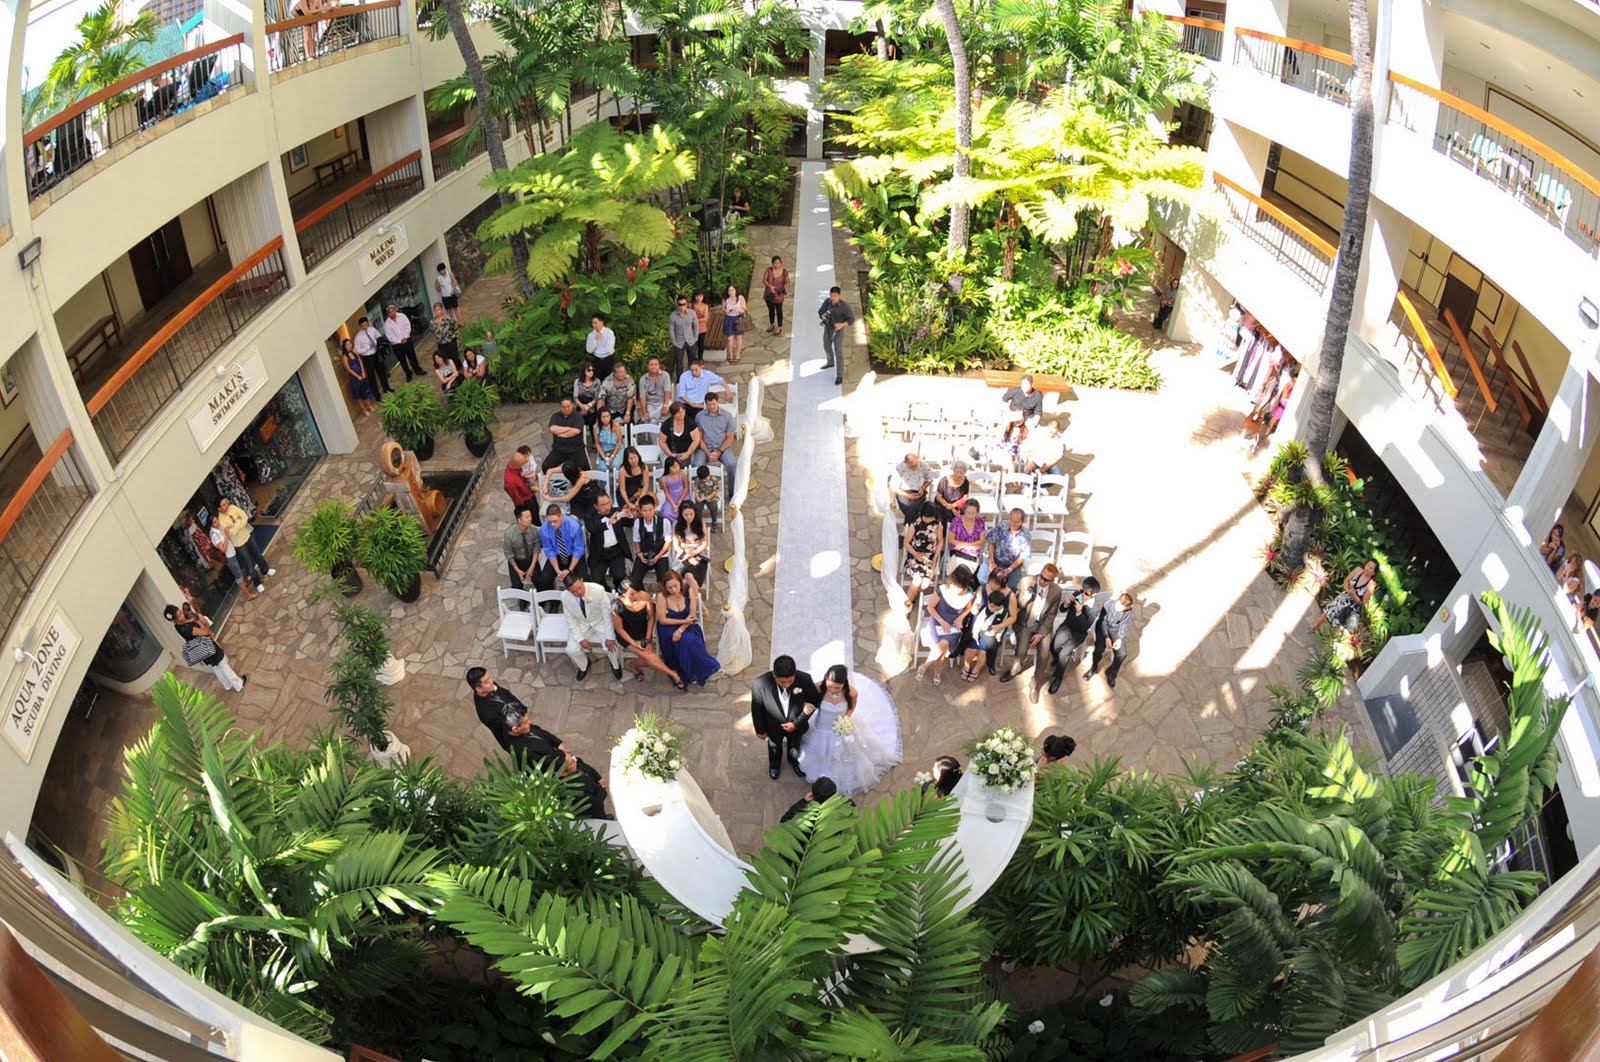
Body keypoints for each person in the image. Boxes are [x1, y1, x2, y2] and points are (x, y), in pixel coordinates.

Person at [794, 665, 903, 795]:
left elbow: (852, 706)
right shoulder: (818, 687)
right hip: (822, 727)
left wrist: (846, 718)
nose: (833, 690)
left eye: (837, 688)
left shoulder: (852, 693)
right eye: (829, 686)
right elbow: (804, 699)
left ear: (843, 684)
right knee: (820, 752)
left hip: (840, 727)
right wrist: (806, 705)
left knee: (844, 753)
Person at [751, 655, 821, 779]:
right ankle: (774, 765)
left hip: (796, 724)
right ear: (774, 674)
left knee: (795, 745)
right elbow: (757, 708)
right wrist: (760, 730)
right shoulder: (760, 684)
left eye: (790, 681)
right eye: (782, 682)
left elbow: (813, 702)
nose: (787, 685)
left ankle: (794, 762)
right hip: (773, 725)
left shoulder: (805, 679)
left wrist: (798, 722)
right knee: (774, 746)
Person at [1002, 564, 1063, 686]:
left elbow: (1051, 615)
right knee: (1021, 650)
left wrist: (1040, 634)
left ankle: (1036, 682)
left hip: (1043, 624)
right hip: (1026, 622)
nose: (1041, 581)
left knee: (1044, 655)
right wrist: (1028, 595)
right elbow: (1018, 605)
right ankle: (1015, 670)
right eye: (1041, 576)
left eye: (1046, 580)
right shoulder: (1026, 582)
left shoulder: (1056, 591)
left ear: (1052, 580)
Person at [656, 570, 720, 687]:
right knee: (686, 641)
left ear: (680, 582)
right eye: (669, 588)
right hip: (668, 627)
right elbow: (662, 620)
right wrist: (683, 622)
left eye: (675, 586)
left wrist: (681, 629)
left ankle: (693, 671)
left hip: (687, 625)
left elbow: (692, 615)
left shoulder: (689, 590)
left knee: (687, 640)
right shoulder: (662, 596)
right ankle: (696, 670)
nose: (673, 590)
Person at [917, 566, 979, 685]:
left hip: (954, 625)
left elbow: (968, 608)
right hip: (937, 621)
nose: (956, 589)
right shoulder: (941, 590)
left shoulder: (969, 594)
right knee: (942, 649)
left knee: (943, 644)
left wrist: (961, 617)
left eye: (959, 587)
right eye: (955, 585)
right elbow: (930, 608)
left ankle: (925, 666)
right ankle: (937, 672)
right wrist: (941, 621)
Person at [165, 603, 246, 691]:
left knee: (216, 667)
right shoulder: (187, 628)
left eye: (181, 612)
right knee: (223, 664)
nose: (182, 615)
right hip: (207, 646)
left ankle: (227, 685)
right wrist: (204, 623)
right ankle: (238, 684)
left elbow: (189, 624)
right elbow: (204, 632)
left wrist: (193, 620)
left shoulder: (177, 626)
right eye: (179, 615)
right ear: (175, 619)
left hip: (203, 650)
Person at [1045, 576, 1101, 697]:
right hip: (1066, 627)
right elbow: (1062, 609)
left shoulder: (1094, 609)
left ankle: (1058, 678)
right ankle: (1058, 660)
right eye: (1082, 590)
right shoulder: (1077, 595)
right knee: (1053, 647)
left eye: (1086, 593)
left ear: (1094, 594)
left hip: (1078, 634)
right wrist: (1065, 604)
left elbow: (1084, 627)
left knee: (1064, 654)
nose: (1082, 594)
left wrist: (1080, 612)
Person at [561, 573, 623, 681]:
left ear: (582, 579)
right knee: (571, 650)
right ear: (568, 590)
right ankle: (584, 665)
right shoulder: (564, 597)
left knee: (613, 646)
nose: (579, 592)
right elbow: (570, 620)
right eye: (574, 591)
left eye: (580, 587)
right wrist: (580, 639)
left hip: (600, 622)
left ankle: (615, 665)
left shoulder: (598, 590)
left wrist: (609, 637)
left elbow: (607, 614)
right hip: (582, 624)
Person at [963, 569, 1018, 681]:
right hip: (978, 623)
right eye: (992, 581)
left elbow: (1013, 616)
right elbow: (975, 606)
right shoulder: (982, 588)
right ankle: (966, 666)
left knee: (983, 650)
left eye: (997, 584)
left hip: (995, 626)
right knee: (971, 648)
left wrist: (1001, 626)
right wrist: (975, 608)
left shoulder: (1010, 596)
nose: (992, 585)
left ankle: (977, 669)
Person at [215, 498, 273, 592]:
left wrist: (237, 524)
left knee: (257, 554)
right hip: (239, 543)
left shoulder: (232, 507)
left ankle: (265, 570)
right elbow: (232, 533)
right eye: (223, 505)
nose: (227, 505)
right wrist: (239, 521)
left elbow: (244, 516)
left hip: (246, 535)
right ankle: (257, 583)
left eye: (226, 503)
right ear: (219, 508)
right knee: (249, 563)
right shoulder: (221, 521)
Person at [901, 502, 944, 622]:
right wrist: (916, 555)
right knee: (917, 581)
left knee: (925, 585)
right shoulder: (916, 524)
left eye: (931, 517)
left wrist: (935, 558)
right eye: (927, 517)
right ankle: (907, 606)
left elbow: (940, 541)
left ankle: (911, 597)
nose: (929, 520)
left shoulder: (937, 524)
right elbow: (906, 542)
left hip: (929, 557)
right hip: (915, 554)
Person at [1310, 559, 1377, 635]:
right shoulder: (1358, 570)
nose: (1367, 568)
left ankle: (1333, 640)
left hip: (1352, 606)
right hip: (1344, 597)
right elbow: (1346, 580)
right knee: (1329, 611)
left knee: (1339, 624)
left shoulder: (1370, 585)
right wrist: (1348, 590)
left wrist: (1354, 595)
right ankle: (1315, 627)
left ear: (1373, 573)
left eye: (1371, 568)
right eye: (1367, 565)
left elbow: (1362, 603)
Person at [1086, 592, 1136, 690]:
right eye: (1119, 608)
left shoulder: (1128, 611)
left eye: (1123, 610)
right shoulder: (1108, 604)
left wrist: (1120, 639)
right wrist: (1106, 638)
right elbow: (1102, 621)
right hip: (1102, 627)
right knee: (1099, 649)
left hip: (1115, 629)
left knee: (1122, 654)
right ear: (1117, 601)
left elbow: (1124, 625)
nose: (1120, 611)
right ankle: (1093, 667)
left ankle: (1111, 672)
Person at [534, 503, 586, 592]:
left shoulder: (574, 526)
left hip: (573, 555)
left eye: (555, 521)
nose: (553, 524)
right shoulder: (544, 529)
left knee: (585, 577)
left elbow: (578, 549)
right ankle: (553, 602)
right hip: (556, 556)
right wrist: (557, 570)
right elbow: (549, 550)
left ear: (561, 516)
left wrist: (570, 570)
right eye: (550, 522)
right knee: (544, 580)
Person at [584, 493, 631, 591]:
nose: (607, 507)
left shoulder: (616, 511)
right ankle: (607, 593)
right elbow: (592, 528)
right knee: (596, 580)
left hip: (616, 551)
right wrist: (608, 523)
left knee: (620, 576)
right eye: (603, 505)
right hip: (599, 553)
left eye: (608, 503)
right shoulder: (590, 516)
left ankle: (619, 595)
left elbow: (630, 523)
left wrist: (629, 514)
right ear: (596, 506)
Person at [207, 518, 260, 601]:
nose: (217, 522)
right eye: (214, 522)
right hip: (228, 557)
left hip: (232, 552)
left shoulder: (219, 528)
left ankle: (246, 582)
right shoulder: (214, 535)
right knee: (238, 575)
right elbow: (223, 549)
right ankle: (248, 595)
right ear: (211, 524)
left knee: (241, 568)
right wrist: (227, 535)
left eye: (217, 520)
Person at [981, 507, 1030, 591]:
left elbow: (1022, 557)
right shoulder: (1001, 526)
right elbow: (991, 542)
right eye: (1011, 520)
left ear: (1022, 522)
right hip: (996, 559)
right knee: (982, 578)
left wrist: (1009, 569)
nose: (1013, 523)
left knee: (1012, 586)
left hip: (1013, 564)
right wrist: (991, 561)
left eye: (1016, 522)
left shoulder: (1026, 535)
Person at [630, 494, 671, 586]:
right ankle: (643, 596)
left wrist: (659, 555)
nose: (648, 513)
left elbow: (668, 541)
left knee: (664, 580)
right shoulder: (637, 523)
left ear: (654, 509)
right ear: (640, 511)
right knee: (634, 579)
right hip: (644, 554)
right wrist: (639, 553)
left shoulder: (664, 522)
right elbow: (636, 540)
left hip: (661, 554)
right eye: (645, 511)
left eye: (650, 510)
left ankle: (662, 598)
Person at [696, 392, 737, 479]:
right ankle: (700, 489)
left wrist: (719, 452)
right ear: (705, 404)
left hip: (722, 447)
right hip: (705, 448)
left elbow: (730, 438)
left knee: (732, 464)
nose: (711, 406)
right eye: (709, 404)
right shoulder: (700, 416)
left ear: (717, 402)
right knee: (696, 465)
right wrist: (708, 453)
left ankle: (732, 490)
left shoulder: (728, 416)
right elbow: (699, 438)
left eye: (714, 404)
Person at [818, 285, 854, 385]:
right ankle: (830, 363)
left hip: (838, 331)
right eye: (831, 296)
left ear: (839, 296)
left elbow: (851, 319)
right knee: (826, 345)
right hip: (828, 328)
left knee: (838, 352)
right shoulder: (827, 302)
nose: (833, 298)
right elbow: (820, 311)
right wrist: (823, 316)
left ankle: (839, 375)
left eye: (835, 296)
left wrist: (842, 324)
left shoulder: (844, 306)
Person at [671, 502, 711, 589]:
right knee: (675, 575)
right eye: (686, 515)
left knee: (690, 577)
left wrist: (692, 554)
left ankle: (690, 594)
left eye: (691, 514)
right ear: (681, 515)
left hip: (698, 551)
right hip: (683, 551)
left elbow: (705, 543)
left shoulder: (700, 522)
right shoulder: (677, 524)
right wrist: (687, 555)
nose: (689, 517)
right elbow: (676, 545)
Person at [544, 396, 589, 471]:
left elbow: (576, 431)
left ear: (572, 405)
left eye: (568, 406)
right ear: (560, 407)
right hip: (559, 449)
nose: (566, 409)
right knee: (546, 466)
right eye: (563, 407)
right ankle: (555, 482)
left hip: (576, 450)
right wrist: (569, 429)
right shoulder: (555, 416)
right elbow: (552, 429)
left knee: (585, 468)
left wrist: (560, 433)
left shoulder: (578, 416)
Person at [502, 504, 539, 590]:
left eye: (530, 516)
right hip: (516, 559)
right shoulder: (509, 534)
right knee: (516, 586)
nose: (530, 519)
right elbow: (508, 554)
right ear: (519, 520)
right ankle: (523, 600)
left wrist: (532, 567)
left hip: (530, 558)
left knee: (539, 580)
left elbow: (536, 548)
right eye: (527, 517)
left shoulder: (534, 530)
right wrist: (517, 570)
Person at [889, 452, 931, 524]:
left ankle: (907, 528)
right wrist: (909, 496)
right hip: (903, 493)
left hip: (919, 491)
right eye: (912, 467)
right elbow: (895, 487)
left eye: (916, 465)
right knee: (911, 508)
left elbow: (930, 478)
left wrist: (923, 487)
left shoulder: (923, 465)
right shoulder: (899, 468)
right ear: (906, 463)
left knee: (915, 507)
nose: (916, 468)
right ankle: (912, 526)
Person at [947, 499, 986, 574]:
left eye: (973, 513)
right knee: (956, 570)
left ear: (977, 513)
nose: (970, 516)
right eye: (968, 513)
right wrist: (972, 545)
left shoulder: (980, 521)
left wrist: (963, 545)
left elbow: (982, 541)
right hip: (957, 552)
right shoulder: (956, 520)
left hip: (972, 554)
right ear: (964, 510)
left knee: (967, 572)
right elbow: (951, 539)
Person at [353, 316, 390, 396]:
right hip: (368, 358)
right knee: (371, 376)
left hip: (376, 353)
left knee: (382, 372)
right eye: (363, 325)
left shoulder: (372, 329)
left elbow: (378, 335)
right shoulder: (358, 337)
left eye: (366, 324)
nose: (365, 326)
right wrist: (367, 348)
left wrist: (379, 342)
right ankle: (377, 395)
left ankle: (386, 388)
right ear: (360, 326)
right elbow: (357, 351)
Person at [383, 305, 422, 379]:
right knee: (402, 360)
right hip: (397, 345)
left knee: (412, 356)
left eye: (392, 311)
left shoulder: (402, 316)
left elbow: (408, 326)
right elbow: (390, 337)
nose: (392, 313)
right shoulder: (387, 324)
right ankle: (408, 374)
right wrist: (399, 341)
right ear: (388, 314)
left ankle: (417, 370)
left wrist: (405, 336)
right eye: (389, 312)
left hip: (407, 340)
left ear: (395, 310)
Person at [660, 403, 704, 467]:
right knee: (669, 465)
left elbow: (696, 439)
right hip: (670, 452)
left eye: (683, 411)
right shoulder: (667, 424)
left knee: (695, 463)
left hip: (688, 452)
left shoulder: (690, 422)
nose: (681, 414)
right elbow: (662, 442)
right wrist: (670, 454)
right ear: (673, 414)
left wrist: (688, 453)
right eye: (678, 413)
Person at [341, 337, 374, 416]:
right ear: (344, 347)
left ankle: (369, 405)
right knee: (358, 395)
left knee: (365, 391)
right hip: (354, 377)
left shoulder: (354, 352)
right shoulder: (344, 357)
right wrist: (357, 376)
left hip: (361, 373)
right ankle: (364, 410)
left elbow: (360, 362)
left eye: (350, 344)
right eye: (347, 345)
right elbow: (348, 369)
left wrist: (363, 372)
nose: (349, 346)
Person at [618, 446, 653, 518]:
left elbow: (646, 485)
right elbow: (622, 489)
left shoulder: (643, 466)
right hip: (625, 494)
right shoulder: (622, 470)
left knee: (644, 507)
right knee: (629, 512)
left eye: (635, 457)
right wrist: (628, 503)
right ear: (627, 460)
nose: (634, 461)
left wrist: (640, 499)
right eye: (631, 459)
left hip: (638, 492)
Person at [669, 296, 700, 376]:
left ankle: (693, 377)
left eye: (684, 304)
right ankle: (680, 381)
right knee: (679, 363)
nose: (682, 306)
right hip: (679, 342)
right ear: (677, 305)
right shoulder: (673, 316)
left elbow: (696, 326)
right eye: (680, 304)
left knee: (693, 362)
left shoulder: (692, 313)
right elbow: (671, 330)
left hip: (690, 341)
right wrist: (674, 342)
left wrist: (695, 338)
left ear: (687, 304)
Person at [638, 356, 673, 423]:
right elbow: (642, 397)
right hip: (651, 404)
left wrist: (665, 406)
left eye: (655, 364)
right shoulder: (643, 379)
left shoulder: (665, 375)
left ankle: (648, 417)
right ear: (647, 366)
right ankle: (649, 416)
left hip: (663, 402)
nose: (653, 367)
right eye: (651, 365)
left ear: (659, 365)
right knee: (653, 421)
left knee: (670, 403)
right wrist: (645, 412)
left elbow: (667, 391)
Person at [658, 456, 691, 523]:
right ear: (668, 468)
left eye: (677, 466)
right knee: (667, 513)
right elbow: (667, 493)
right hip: (671, 498)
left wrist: (680, 500)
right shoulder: (664, 479)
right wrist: (673, 504)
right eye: (673, 467)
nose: (676, 469)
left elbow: (686, 487)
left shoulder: (682, 474)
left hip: (683, 496)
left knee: (685, 510)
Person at [762, 255, 790, 336]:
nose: (776, 265)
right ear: (772, 263)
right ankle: (772, 324)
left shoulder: (784, 272)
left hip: (778, 295)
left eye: (778, 263)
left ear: (781, 263)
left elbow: (787, 281)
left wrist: (786, 286)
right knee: (771, 310)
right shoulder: (769, 270)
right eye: (774, 263)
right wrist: (770, 286)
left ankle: (779, 326)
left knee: (779, 311)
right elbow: (764, 280)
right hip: (769, 294)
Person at [592, 408, 625, 475]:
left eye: (608, 416)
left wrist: (612, 455)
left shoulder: (616, 425)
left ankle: (617, 482)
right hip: (604, 449)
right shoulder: (596, 427)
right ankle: (604, 484)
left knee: (615, 465)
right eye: (603, 417)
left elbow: (619, 442)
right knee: (603, 468)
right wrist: (604, 457)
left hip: (616, 449)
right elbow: (597, 444)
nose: (606, 419)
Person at [722, 284, 749, 364]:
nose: (731, 292)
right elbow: (722, 309)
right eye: (729, 290)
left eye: (732, 290)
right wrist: (725, 310)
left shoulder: (740, 298)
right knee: (730, 339)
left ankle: (737, 353)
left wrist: (739, 309)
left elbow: (744, 309)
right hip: (729, 319)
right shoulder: (725, 299)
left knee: (738, 337)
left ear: (736, 290)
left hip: (738, 318)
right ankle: (730, 354)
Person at [585, 313, 617, 379]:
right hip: (597, 360)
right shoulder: (591, 335)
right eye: (592, 323)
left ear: (601, 322)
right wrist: (595, 340)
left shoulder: (609, 333)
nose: (593, 325)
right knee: (597, 380)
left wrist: (597, 350)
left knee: (610, 380)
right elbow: (589, 350)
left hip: (608, 360)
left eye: (595, 323)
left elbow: (609, 349)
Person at [573, 363, 604, 428]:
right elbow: (575, 397)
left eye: (592, 370)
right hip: (581, 404)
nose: (591, 372)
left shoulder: (597, 381)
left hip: (592, 404)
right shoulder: (578, 381)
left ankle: (593, 434)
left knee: (591, 417)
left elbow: (597, 397)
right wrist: (582, 406)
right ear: (584, 371)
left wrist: (588, 406)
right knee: (578, 417)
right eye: (589, 370)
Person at [693, 464, 722, 530]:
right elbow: (696, 490)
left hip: (711, 496)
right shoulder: (698, 480)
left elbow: (715, 490)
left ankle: (714, 521)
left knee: (713, 507)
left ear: (709, 474)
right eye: (703, 479)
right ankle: (698, 522)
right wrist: (697, 497)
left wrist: (709, 497)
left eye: (706, 478)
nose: (705, 480)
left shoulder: (714, 479)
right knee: (697, 508)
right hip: (701, 496)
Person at [691, 291, 711, 358]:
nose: (699, 298)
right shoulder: (691, 305)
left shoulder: (705, 306)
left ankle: (700, 357)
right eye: (697, 296)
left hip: (702, 327)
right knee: (693, 343)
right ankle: (693, 357)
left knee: (701, 344)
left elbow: (705, 318)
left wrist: (696, 320)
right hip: (692, 328)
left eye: (700, 296)